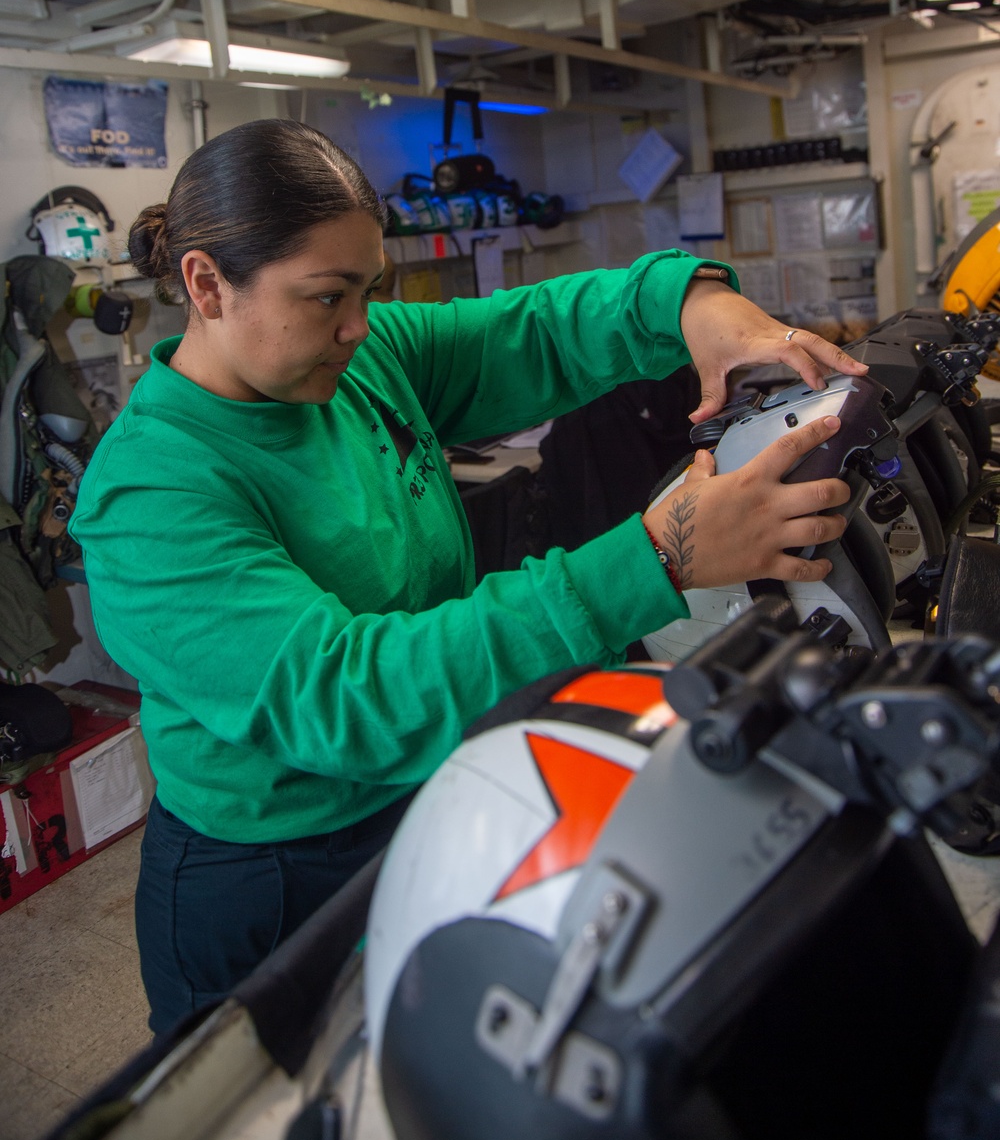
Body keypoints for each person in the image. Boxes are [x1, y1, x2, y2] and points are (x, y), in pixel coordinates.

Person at [69, 119, 867, 1036]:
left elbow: (535, 333)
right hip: (273, 875)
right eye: (328, 296)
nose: (359, 326)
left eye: (371, 290)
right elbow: (346, 692)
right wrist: (656, 558)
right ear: (207, 284)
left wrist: (690, 303)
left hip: (427, 793)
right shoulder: (151, 491)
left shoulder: (362, 362)